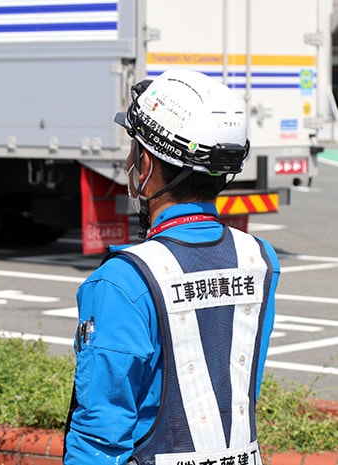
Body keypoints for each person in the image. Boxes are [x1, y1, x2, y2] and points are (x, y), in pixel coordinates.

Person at [63, 69, 280, 465]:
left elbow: (100, 432)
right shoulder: (260, 259)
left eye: (133, 150)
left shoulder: (122, 281)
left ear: (144, 165)